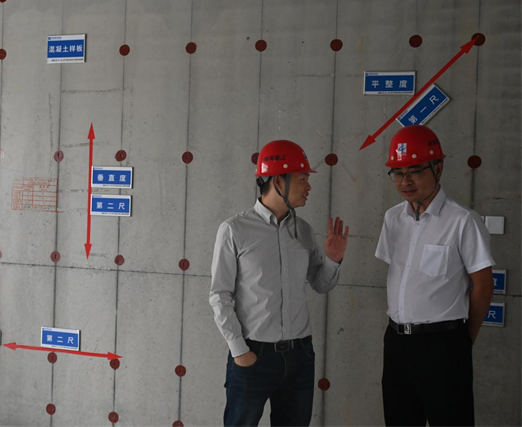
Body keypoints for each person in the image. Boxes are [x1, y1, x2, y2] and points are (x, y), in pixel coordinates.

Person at [209, 139, 349, 427]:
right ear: (277, 181)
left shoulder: (303, 230)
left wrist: (334, 260)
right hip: (254, 354)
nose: (309, 186)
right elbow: (220, 295)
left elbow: (320, 284)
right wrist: (239, 351)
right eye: (302, 179)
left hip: (300, 356)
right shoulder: (235, 230)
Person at [376, 125, 495, 427]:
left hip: (444, 344)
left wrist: (463, 341)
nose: (405, 182)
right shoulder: (393, 219)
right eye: (398, 173)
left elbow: (483, 286)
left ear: (438, 168)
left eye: (415, 172)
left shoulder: (463, 221)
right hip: (397, 343)